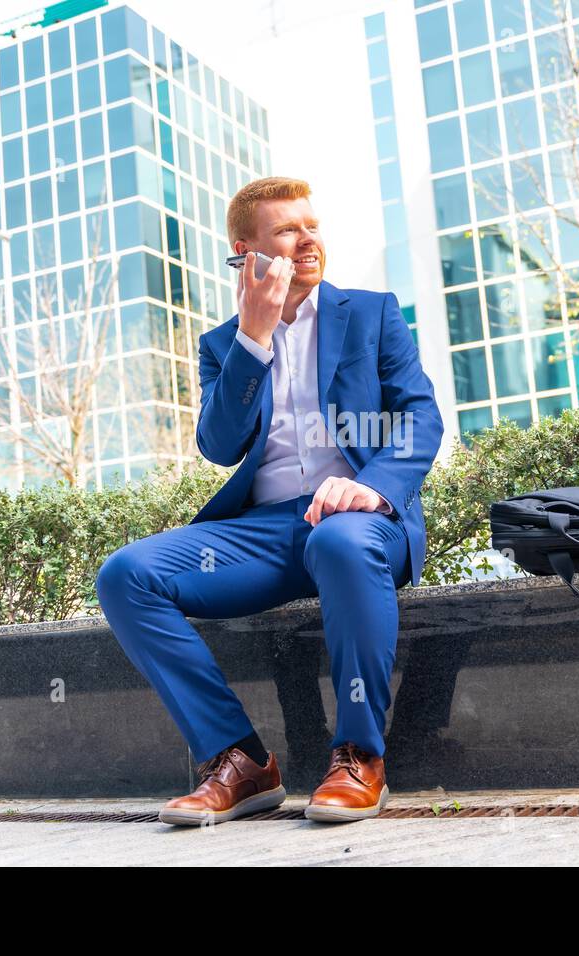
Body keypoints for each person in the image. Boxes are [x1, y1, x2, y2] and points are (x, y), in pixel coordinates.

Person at [94, 176, 444, 825]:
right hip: (266, 532)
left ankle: (359, 757)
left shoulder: (370, 313)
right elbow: (219, 446)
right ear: (247, 250)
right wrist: (253, 340)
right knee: (127, 575)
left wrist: (372, 488)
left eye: (311, 223)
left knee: (338, 540)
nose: (308, 238)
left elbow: (421, 416)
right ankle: (239, 760)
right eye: (287, 229)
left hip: (358, 522)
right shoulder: (222, 345)